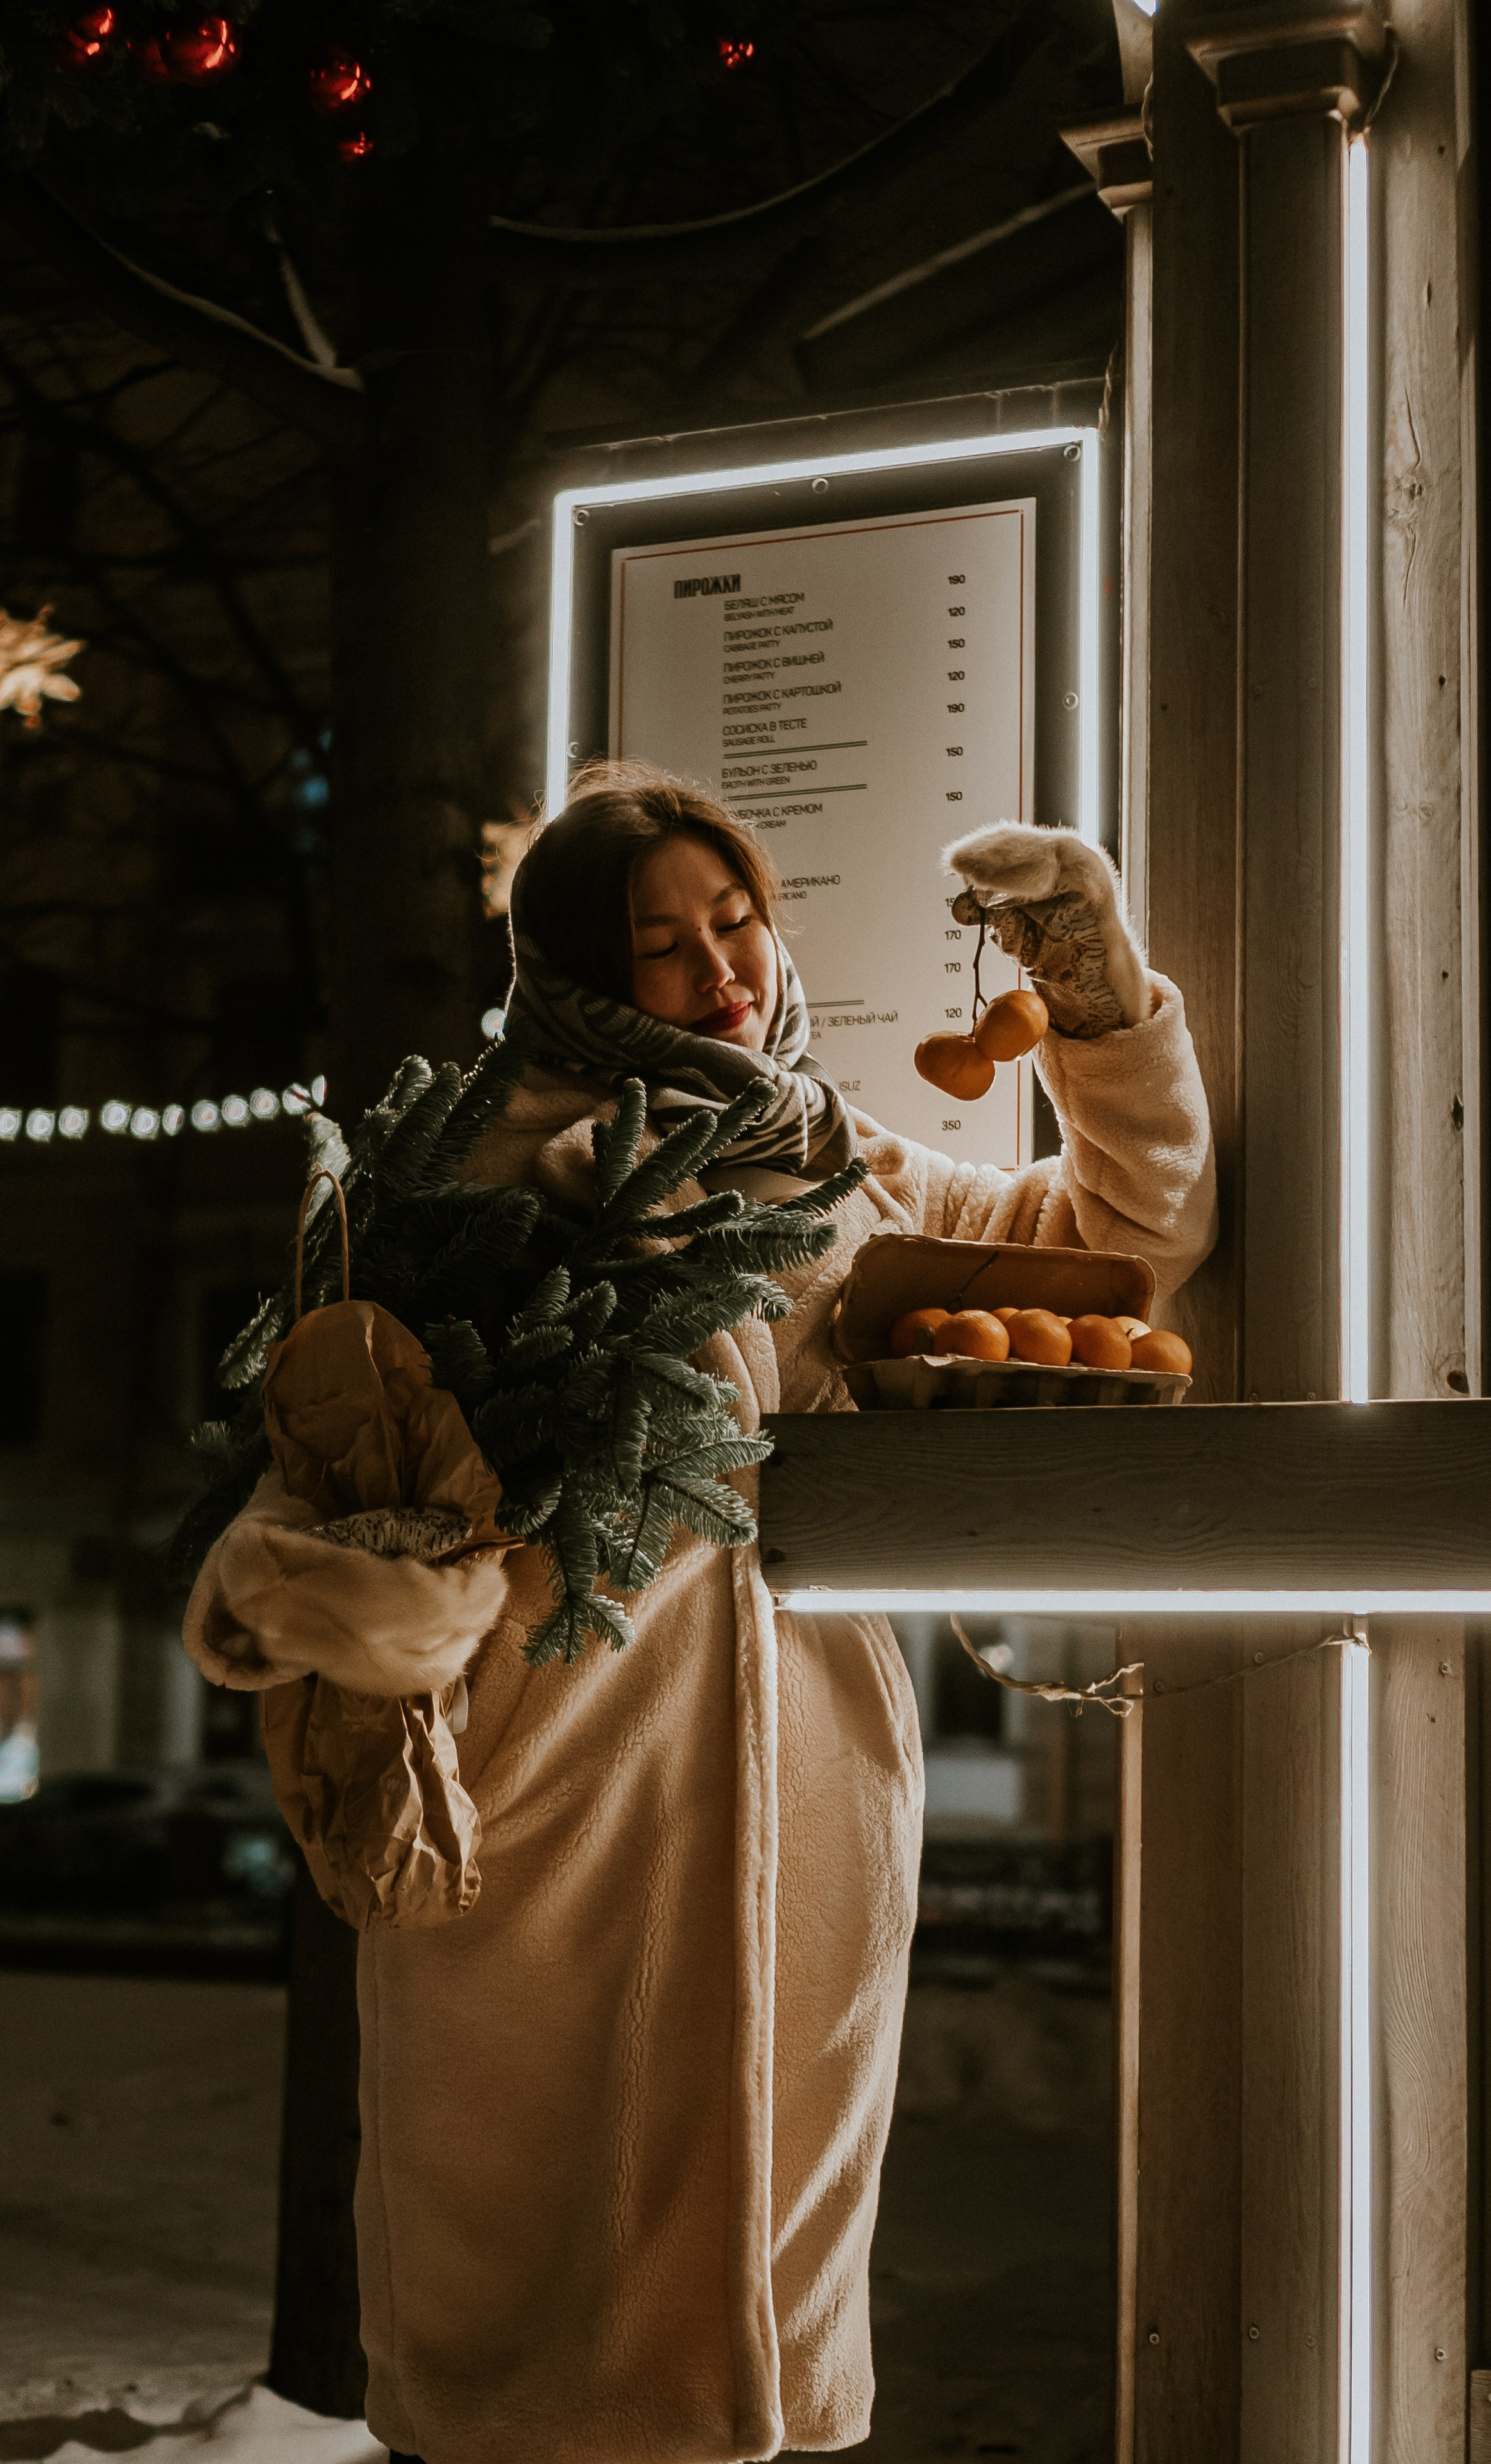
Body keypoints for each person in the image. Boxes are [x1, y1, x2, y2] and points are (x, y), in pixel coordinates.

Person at [195, 762, 1216, 2464]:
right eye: (661, 945)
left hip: (810, 1768)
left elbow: (1114, 1238)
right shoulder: (485, 1161)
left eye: (733, 916)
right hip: (547, 1770)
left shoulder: (834, 1158)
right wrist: (528, 1128)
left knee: (775, 2250)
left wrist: (1099, 995)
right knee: (522, 2264)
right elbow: (357, 1343)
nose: (721, 966)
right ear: (585, 976)